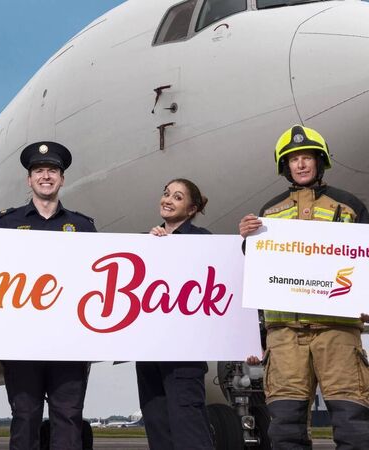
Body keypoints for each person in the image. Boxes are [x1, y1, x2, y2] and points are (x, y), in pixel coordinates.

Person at [240, 125, 369, 449]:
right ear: (285, 166)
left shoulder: (350, 206)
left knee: (353, 424)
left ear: (319, 161)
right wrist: (246, 239)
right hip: (285, 335)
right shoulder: (269, 212)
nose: (300, 164)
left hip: (337, 331)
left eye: (307, 157)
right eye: (293, 159)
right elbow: (257, 266)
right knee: (285, 428)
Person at [0, 141, 95, 450]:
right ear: (29, 180)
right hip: (22, 340)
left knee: (68, 418)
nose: (45, 176)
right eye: (39, 171)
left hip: (69, 341)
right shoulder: (5, 224)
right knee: (25, 417)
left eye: (52, 171)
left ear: (62, 179)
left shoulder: (82, 226)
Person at [136, 178, 214, 450]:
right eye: (166, 194)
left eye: (178, 197)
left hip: (183, 352)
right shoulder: (146, 240)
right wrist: (150, 247)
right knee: (157, 425)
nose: (168, 200)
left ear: (192, 209)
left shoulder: (202, 240)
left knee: (188, 426)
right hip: (149, 351)